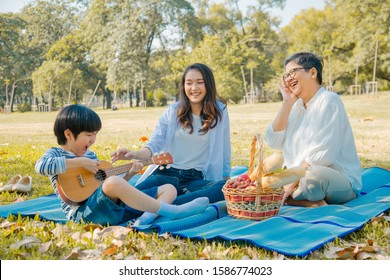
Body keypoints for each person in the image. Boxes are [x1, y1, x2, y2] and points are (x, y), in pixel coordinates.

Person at [35, 104, 209, 226]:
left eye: (95, 134)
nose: (93, 139)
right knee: (113, 183)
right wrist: (80, 162)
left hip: (109, 208)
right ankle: (172, 212)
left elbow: (108, 189)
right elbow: (41, 167)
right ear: (68, 134)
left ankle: (145, 219)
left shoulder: (91, 156)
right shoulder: (56, 154)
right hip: (84, 214)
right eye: (89, 134)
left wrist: (129, 175)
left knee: (169, 188)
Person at [111, 63, 231, 204]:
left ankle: (162, 203)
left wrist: (226, 178)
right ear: (184, 86)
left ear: (209, 85)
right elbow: (155, 143)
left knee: (223, 189)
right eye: (189, 83)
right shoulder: (173, 111)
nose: (194, 88)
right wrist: (135, 154)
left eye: (200, 82)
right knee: (122, 200)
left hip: (193, 180)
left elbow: (224, 148)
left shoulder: (219, 111)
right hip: (164, 175)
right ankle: (172, 203)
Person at [264, 52, 362, 207]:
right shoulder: (295, 106)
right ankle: (306, 201)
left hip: (334, 179)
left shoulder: (329, 101)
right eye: (286, 75)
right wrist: (287, 102)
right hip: (297, 177)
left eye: (293, 72)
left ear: (312, 72)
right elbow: (272, 140)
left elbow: (322, 156)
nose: (288, 78)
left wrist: (289, 185)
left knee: (313, 178)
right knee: (264, 179)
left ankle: (291, 196)